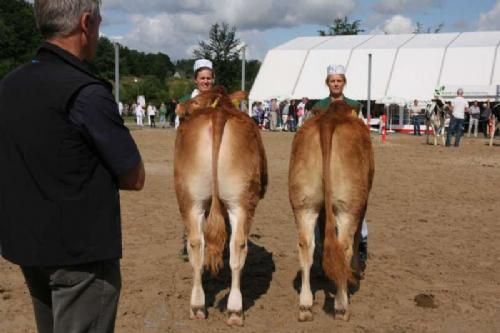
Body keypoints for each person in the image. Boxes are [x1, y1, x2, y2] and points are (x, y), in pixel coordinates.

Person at [0, 1, 145, 332]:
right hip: (81, 257)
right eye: (98, 23)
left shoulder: (8, 85)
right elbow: (134, 176)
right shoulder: (86, 92)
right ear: (85, 22)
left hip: (29, 246)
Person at [311, 64, 368, 262]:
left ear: (344, 83)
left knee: (355, 206)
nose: (336, 84)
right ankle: (322, 253)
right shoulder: (319, 107)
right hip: (324, 160)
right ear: (327, 83)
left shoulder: (354, 106)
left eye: (339, 81)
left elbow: (362, 133)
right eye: (332, 81)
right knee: (320, 210)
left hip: (348, 162)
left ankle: (361, 244)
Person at [175, 58, 215, 129]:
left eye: (208, 78)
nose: (206, 82)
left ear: (213, 80)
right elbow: (178, 128)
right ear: (195, 80)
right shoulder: (185, 101)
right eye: (202, 78)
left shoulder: (219, 101)